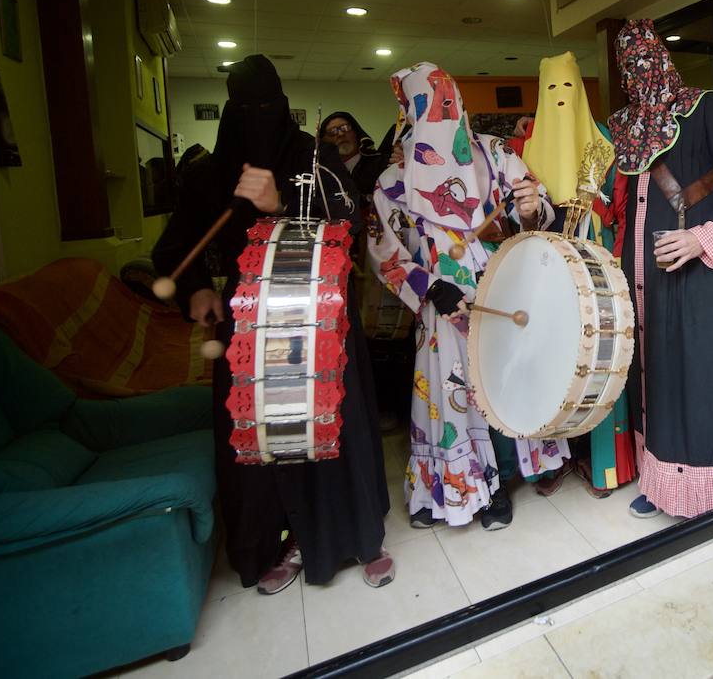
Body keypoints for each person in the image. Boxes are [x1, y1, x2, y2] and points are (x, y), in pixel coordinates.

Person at [152, 54, 393, 594]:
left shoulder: (313, 155)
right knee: (259, 441)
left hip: (322, 320)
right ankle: (279, 541)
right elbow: (172, 252)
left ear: (283, 107)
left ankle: (356, 535)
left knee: (336, 424)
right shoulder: (208, 176)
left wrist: (282, 201)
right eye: (245, 109)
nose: (257, 119)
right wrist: (193, 293)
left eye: (267, 107)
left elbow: (351, 217)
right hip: (246, 325)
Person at [366, 62, 566, 530]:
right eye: (428, 106)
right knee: (454, 393)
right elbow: (384, 252)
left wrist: (531, 207)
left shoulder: (495, 154)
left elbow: (536, 212)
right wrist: (429, 286)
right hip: (443, 304)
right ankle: (458, 486)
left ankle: (506, 478)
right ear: (409, 112)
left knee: (507, 379)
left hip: (504, 288)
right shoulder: (392, 182)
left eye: (447, 103)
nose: (440, 114)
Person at [608, 19, 713, 519]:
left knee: (704, 374)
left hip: (698, 273)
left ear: (661, 56)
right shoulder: (625, 127)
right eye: (626, 63)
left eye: (644, 58)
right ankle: (661, 482)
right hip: (643, 278)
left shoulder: (704, 108)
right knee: (657, 375)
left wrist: (701, 238)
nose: (638, 71)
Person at [509, 52, 636, 498]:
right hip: (545, 272)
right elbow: (513, 216)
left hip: (597, 266)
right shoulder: (523, 149)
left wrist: (616, 263)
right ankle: (555, 459)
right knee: (552, 360)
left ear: (580, 94)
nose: (560, 100)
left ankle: (600, 462)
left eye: (568, 89)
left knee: (596, 359)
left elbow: (621, 211)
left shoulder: (604, 143)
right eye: (551, 91)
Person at [319, 110, 411, 434]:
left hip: (375, 261)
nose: (339, 135)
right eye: (331, 131)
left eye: (344, 128)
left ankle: (389, 406)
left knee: (385, 338)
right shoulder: (320, 175)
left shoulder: (378, 165)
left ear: (356, 133)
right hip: (336, 267)